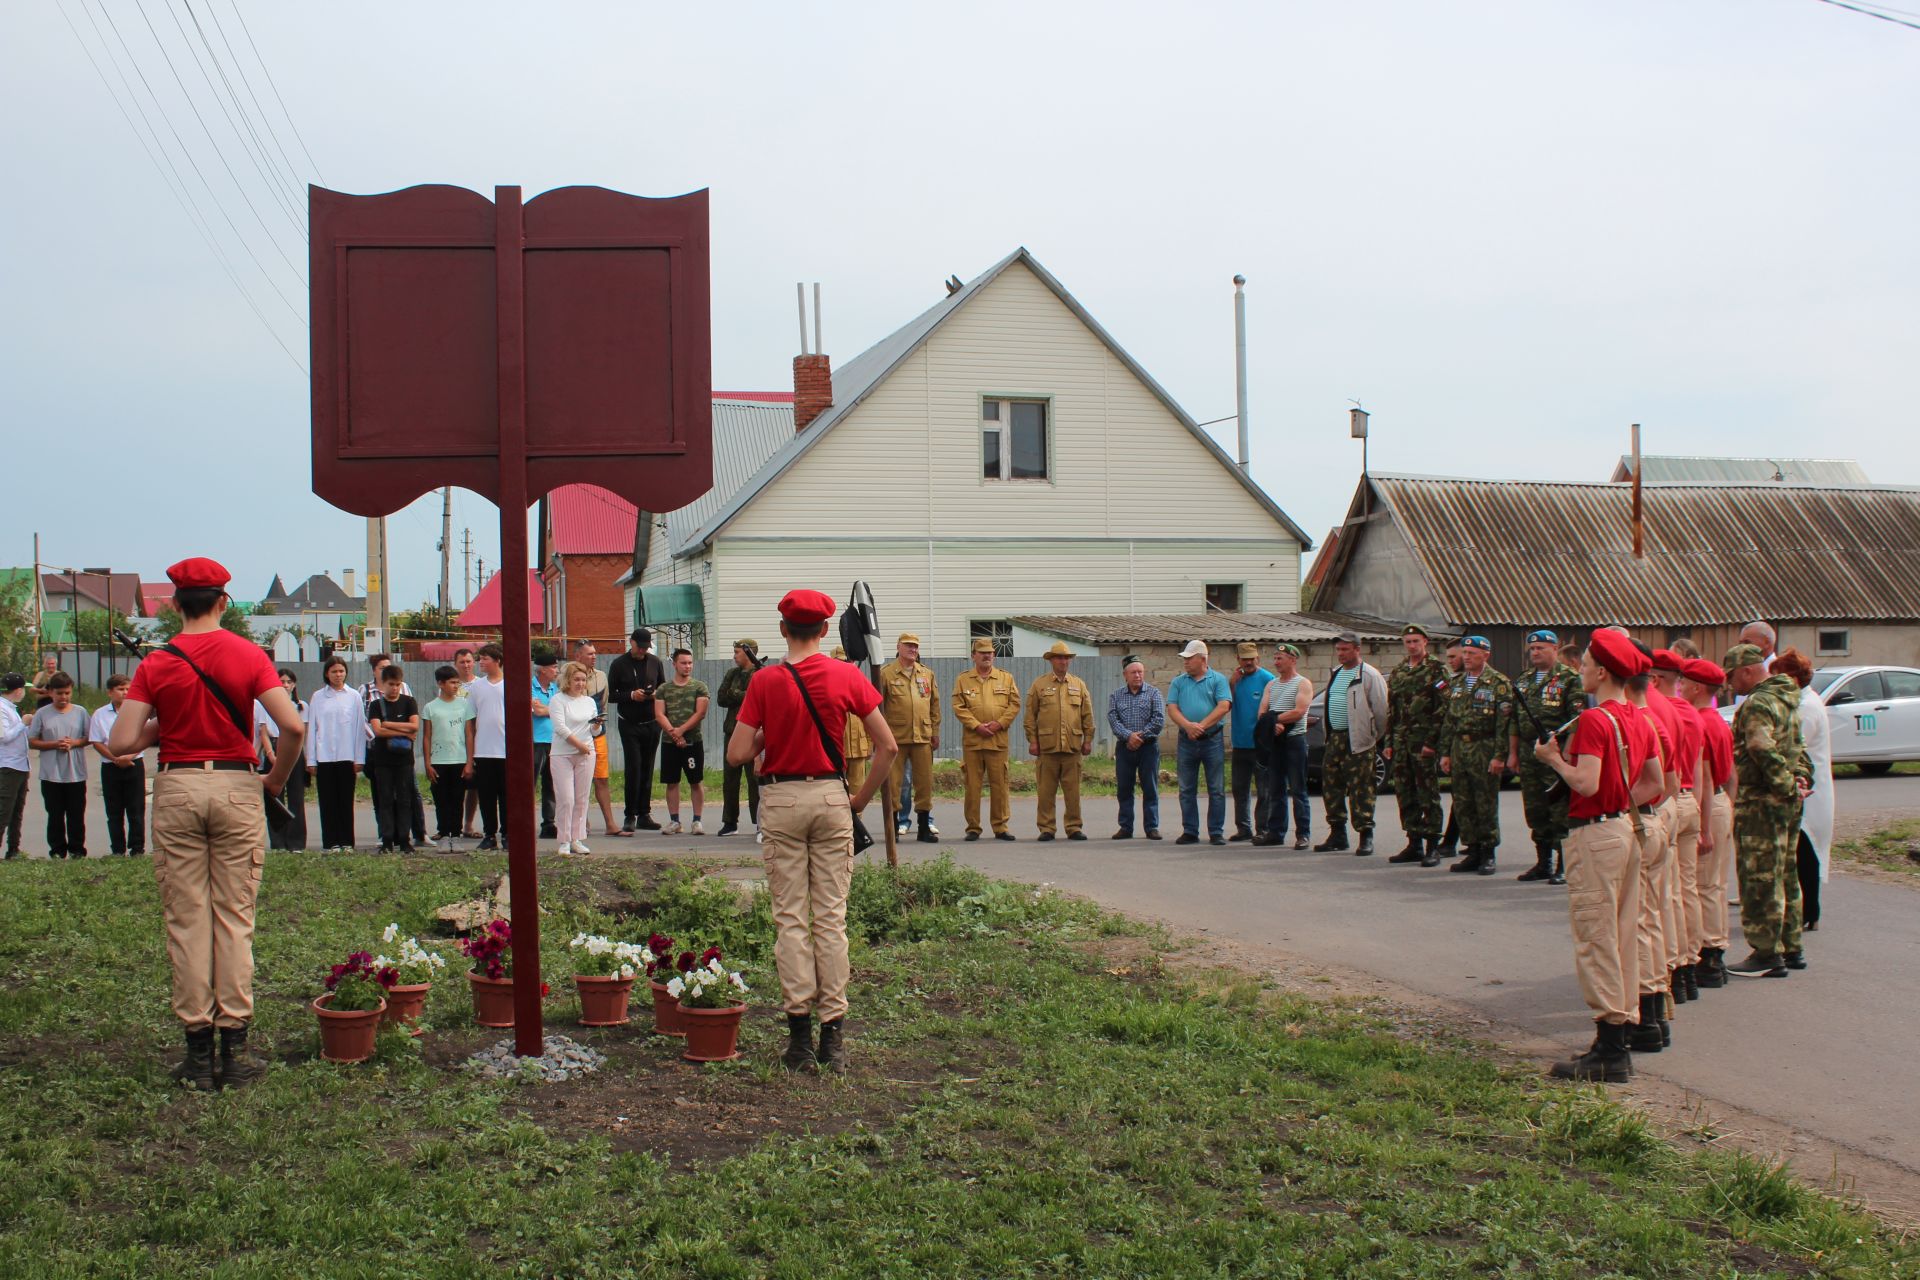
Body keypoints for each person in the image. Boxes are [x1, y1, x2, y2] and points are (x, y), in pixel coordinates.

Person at [111, 556, 303, 1091]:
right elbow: (291, 727)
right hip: (239, 786)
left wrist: (162, 724)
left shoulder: (157, 663)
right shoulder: (249, 655)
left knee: (187, 918)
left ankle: (197, 1050)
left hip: (178, 785)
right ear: (223, 601)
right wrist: (272, 782)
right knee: (234, 916)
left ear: (174, 604)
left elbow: (122, 743)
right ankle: (234, 1047)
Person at [727, 588, 896, 1072]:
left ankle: (798, 1040)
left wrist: (769, 733)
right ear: (825, 630)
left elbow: (738, 754)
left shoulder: (764, 681)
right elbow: (887, 748)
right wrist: (857, 802)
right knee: (830, 919)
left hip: (780, 800)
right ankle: (834, 1039)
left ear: (783, 629)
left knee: (791, 920)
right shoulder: (845, 675)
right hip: (830, 798)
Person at [1531, 629, 1663, 1082]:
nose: (1580, 671)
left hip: (1595, 833)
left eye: (1585, 664)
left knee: (1596, 935)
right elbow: (1654, 782)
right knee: (1624, 933)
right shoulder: (1639, 718)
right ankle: (1623, 1028)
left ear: (1603, 671)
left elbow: (1584, 782)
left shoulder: (1594, 721)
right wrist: (1619, 799)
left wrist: (1552, 759)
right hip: (1625, 828)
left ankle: (1609, 1047)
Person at [1725, 643, 1810, 978]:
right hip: (1787, 801)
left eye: (1732, 676)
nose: (1731, 685)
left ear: (1747, 670)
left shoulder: (1759, 702)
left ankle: (1765, 952)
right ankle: (1792, 947)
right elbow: (1799, 746)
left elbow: (1761, 746)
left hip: (1761, 801)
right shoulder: (1788, 698)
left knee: (1759, 876)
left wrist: (1785, 784)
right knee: (1786, 874)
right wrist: (1800, 779)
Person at [1649, 649, 1706, 1002]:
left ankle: (1670, 969)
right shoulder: (1687, 712)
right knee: (1688, 889)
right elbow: (1699, 766)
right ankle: (1688, 966)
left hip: (1666, 799)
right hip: (1687, 797)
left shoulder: (1656, 708)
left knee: (1665, 895)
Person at [1509, 630, 1584, 884]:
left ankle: (1565, 863)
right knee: (1535, 809)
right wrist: (1512, 753)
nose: (1535, 652)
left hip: (1556, 750)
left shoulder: (1570, 678)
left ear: (1555, 648)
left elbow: (1577, 720)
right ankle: (1543, 862)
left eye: (1541, 648)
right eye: (1532, 649)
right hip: (1530, 752)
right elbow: (1515, 721)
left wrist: (1567, 752)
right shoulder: (1524, 680)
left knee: (1560, 810)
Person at [1678, 658, 1734, 988]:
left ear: (1698, 688)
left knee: (1702, 886)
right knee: (1715, 883)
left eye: (1684, 683)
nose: (1680, 688)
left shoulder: (1700, 721)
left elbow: (1707, 776)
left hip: (1707, 804)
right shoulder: (1717, 720)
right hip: (1720, 802)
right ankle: (1715, 949)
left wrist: (1703, 827)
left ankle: (1709, 953)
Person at [1438, 636, 1514, 875]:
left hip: (1484, 747)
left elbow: (1504, 724)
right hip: (1460, 748)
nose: (1467, 657)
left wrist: (1500, 755)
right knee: (1462, 802)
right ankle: (1472, 849)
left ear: (1486, 655)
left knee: (1485, 802)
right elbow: (1449, 721)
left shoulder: (1498, 683)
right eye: (1465, 653)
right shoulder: (1458, 683)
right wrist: (1445, 753)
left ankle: (1488, 851)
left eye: (1472, 653)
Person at [1773, 648, 1832, 935]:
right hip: (1805, 788)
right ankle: (1806, 911)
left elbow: (1795, 746)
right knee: (1801, 853)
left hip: (1808, 791)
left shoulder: (1806, 707)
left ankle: (1809, 912)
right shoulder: (1802, 701)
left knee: (1806, 854)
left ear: (1793, 678)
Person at [1315, 631, 1389, 855]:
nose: (1340, 653)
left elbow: (1382, 712)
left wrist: (1371, 736)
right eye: (1338, 649)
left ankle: (1365, 834)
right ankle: (1337, 834)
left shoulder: (1369, 675)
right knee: (1332, 786)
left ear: (1357, 649)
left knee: (1361, 788)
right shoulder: (1336, 673)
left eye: (1345, 649)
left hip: (1358, 740)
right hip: (1335, 737)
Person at [1384, 625, 1449, 867]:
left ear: (1425, 642)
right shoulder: (1400, 670)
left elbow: (1443, 708)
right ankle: (1413, 842)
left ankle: (1433, 844)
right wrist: (1389, 741)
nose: (1411, 645)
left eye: (1415, 641)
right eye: (1408, 641)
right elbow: (1392, 709)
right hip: (1402, 742)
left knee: (1427, 793)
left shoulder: (1436, 669)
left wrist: (1432, 742)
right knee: (1405, 792)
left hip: (1423, 743)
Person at [951, 637, 1021, 841]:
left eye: (990, 652)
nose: (986, 655)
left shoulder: (1005, 678)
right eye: (982, 652)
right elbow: (958, 706)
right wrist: (976, 725)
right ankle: (973, 827)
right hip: (973, 742)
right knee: (973, 785)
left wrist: (999, 723)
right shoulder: (963, 679)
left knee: (1000, 785)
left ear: (994, 655)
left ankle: (1000, 826)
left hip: (997, 741)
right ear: (974, 656)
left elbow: (1014, 704)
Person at [1166, 640, 1232, 845]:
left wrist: (1200, 726)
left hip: (1211, 739)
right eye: (1184, 659)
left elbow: (1223, 706)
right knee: (1186, 788)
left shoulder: (1218, 680)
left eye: (1189, 658)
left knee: (1216, 788)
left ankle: (1216, 831)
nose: (1185, 662)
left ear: (1202, 659)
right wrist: (1188, 726)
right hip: (1186, 740)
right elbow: (1172, 708)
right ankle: (1190, 830)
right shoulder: (1179, 681)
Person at [1027, 640, 1094, 841]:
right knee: (1045, 792)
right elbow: (1030, 715)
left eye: (1066, 658)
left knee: (1073, 792)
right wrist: (1033, 740)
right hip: (1047, 747)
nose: (1063, 661)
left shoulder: (1078, 684)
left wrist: (1088, 739)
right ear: (1051, 660)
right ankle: (1047, 828)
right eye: (1059, 657)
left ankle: (1073, 827)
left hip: (1072, 747)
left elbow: (1087, 715)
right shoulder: (1039, 684)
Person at [879, 633, 942, 844]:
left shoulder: (926, 674)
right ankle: (894, 828)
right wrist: (879, 738)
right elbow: (878, 707)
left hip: (922, 737)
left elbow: (934, 705)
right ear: (898, 646)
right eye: (908, 646)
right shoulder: (886, 674)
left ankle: (924, 827)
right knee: (894, 785)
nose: (912, 649)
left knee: (924, 784)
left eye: (915, 646)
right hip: (895, 738)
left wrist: (935, 732)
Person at [1254, 645, 1313, 849]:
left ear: (1293, 660)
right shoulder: (1271, 684)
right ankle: (1276, 832)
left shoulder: (1302, 683)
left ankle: (1303, 834)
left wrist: (1274, 719)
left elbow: (1299, 711)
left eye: (1281, 658)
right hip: (1275, 742)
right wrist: (1272, 723)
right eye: (1276, 658)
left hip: (1294, 741)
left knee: (1298, 789)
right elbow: (1262, 712)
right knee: (1275, 788)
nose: (1277, 662)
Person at [607, 628, 667, 831]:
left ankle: (644, 813)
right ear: (631, 643)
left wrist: (653, 694)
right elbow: (612, 695)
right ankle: (629, 814)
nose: (642, 651)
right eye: (639, 647)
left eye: (645, 648)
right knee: (633, 768)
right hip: (629, 723)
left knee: (648, 768)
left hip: (651, 723)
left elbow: (663, 688)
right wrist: (632, 695)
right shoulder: (618, 664)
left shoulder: (654, 662)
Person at [29, 671, 91, 858]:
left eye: (67, 693)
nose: (63, 697)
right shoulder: (42, 713)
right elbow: (32, 741)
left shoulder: (80, 712)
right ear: (50, 693)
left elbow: (89, 738)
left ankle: (77, 849)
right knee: (55, 815)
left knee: (76, 814)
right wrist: (54, 744)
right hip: (51, 774)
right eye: (59, 693)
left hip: (76, 773)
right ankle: (57, 850)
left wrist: (74, 743)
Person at [305, 657, 363, 851]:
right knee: (328, 801)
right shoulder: (318, 697)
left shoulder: (353, 696)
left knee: (346, 800)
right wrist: (311, 759)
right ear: (326, 674)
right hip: (325, 756)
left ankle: (347, 841)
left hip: (347, 756)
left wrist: (359, 757)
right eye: (334, 672)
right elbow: (313, 728)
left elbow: (358, 729)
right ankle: (331, 842)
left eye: (341, 671)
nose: (338, 675)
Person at [1107, 656, 1166, 840]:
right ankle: (1125, 827)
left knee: (1150, 787)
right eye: (1133, 672)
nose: (1138, 676)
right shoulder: (1115, 696)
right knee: (1124, 789)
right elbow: (1113, 719)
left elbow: (1158, 720)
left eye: (1140, 672)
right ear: (1125, 675)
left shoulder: (1154, 693)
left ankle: (1152, 827)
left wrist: (1139, 737)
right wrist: (1128, 736)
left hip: (1148, 747)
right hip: (1124, 748)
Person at [571, 640, 624, 840]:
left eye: (595, 653)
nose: (594, 656)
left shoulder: (601, 677)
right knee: (578, 781)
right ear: (578, 656)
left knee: (601, 779)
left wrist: (597, 726)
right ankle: (581, 823)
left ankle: (610, 823)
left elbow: (603, 704)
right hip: (576, 736)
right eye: (589, 653)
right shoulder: (567, 676)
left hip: (597, 734)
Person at [365, 663, 421, 853]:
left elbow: (415, 726)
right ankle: (387, 839)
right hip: (382, 761)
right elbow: (377, 730)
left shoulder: (409, 701)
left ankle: (405, 840)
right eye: (391, 684)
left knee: (405, 799)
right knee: (385, 800)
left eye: (398, 684)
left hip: (404, 760)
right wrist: (402, 730)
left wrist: (389, 725)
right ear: (383, 684)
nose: (394, 688)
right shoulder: (375, 705)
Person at [90, 673, 147, 857]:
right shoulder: (100, 714)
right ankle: (117, 849)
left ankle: (137, 848)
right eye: (120, 689)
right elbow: (97, 741)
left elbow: (144, 737)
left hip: (134, 764)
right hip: (110, 767)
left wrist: (128, 756)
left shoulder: (139, 712)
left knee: (136, 809)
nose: (125, 693)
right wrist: (115, 759)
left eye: (128, 689)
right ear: (110, 692)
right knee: (114, 810)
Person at [655, 648, 710, 835]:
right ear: (674, 664)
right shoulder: (663, 689)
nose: (687, 666)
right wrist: (674, 734)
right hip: (670, 743)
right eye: (683, 663)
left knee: (696, 781)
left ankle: (697, 821)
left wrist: (682, 731)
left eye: (690, 663)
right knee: (672, 782)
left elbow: (700, 713)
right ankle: (674, 821)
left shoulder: (699, 687)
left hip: (693, 741)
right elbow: (659, 714)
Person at [420, 664, 475, 849]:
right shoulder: (430, 707)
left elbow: (469, 734)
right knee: (441, 800)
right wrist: (427, 763)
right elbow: (427, 736)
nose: (455, 686)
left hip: (459, 759)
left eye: (457, 683)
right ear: (441, 684)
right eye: (452, 683)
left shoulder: (465, 705)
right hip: (438, 761)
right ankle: (444, 835)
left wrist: (469, 762)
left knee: (457, 799)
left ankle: (456, 836)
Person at [548, 661, 600, 855]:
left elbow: (595, 730)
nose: (580, 683)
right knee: (566, 798)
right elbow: (560, 728)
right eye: (576, 679)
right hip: (563, 753)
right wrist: (580, 746)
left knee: (581, 798)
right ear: (567, 680)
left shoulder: (588, 701)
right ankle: (564, 840)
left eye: (583, 680)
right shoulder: (558, 700)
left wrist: (596, 726)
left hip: (586, 753)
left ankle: (577, 838)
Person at [255, 669, 307, 852]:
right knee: (275, 796)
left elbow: (302, 733)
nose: (285, 685)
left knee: (296, 797)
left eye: (288, 681)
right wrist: (271, 754)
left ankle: (296, 843)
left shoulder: (301, 706)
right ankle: (278, 842)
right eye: (282, 681)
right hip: (274, 748)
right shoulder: (265, 705)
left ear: (294, 685)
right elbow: (263, 731)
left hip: (295, 751)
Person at [1226, 643, 1274, 842]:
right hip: (1240, 743)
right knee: (1239, 789)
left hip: (1261, 745)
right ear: (1238, 660)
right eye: (1244, 659)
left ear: (1258, 659)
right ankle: (1243, 828)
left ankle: (1263, 828)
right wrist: (1231, 684)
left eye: (1251, 659)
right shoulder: (1235, 680)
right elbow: (1225, 705)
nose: (1248, 663)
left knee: (1264, 790)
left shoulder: (1268, 680)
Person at [716, 639, 763, 837]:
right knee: (730, 779)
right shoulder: (731, 674)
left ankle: (759, 823)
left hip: (754, 733)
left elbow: (757, 699)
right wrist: (741, 694)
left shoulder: (759, 674)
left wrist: (734, 693)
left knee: (755, 779)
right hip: (732, 730)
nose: (734, 656)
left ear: (749, 653)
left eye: (737, 652)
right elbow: (721, 698)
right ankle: (730, 821)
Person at [468, 644, 509, 849]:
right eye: (480, 659)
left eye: (485, 658)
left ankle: (508, 834)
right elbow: (471, 720)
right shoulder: (477, 686)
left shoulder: (510, 684)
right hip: (484, 750)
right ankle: (489, 834)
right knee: (486, 796)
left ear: (498, 660)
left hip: (506, 751)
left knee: (507, 796)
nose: (481, 662)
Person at [1433, 639, 1467, 858]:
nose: (1450, 661)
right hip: (1455, 747)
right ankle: (1453, 841)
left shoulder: (1480, 682)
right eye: (1448, 657)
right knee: (1461, 796)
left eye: (1454, 657)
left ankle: (1456, 841)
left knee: (1473, 799)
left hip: (1477, 748)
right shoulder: (1450, 683)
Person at [833, 646, 874, 805]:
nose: (846, 665)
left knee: (857, 793)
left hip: (858, 749)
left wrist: (870, 744)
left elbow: (869, 719)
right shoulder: (828, 687)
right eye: (842, 662)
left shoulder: (860, 685)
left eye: (848, 661)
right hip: (836, 752)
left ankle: (856, 828)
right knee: (837, 794)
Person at [530, 651, 560, 840]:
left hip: (554, 741)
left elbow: (558, 710)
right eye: (553, 667)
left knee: (551, 783)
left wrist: (547, 709)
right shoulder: (529, 687)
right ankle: (526, 822)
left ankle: (549, 823)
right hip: (535, 741)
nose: (557, 671)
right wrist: (553, 710)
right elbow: (536, 711)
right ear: (542, 670)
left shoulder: (555, 689)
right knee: (530, 783)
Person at [454, 646, 483, 837]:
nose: (466, 665)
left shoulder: (481, 684)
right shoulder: (451, 685)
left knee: (474, 786)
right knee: (456, 785)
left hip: (479, 738)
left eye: (469, 661)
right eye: (462, 662)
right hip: (456, 740)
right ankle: (452, 825)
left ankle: (468, 824)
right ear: (455, 664)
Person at [0, 674, 29, 858]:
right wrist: (23, 724)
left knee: (17, 810)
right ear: (18, 690)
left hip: (20, 765)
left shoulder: (11, 708)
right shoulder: (2, 708)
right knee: (4, 810)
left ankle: (14, 849)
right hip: (8, 766)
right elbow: (4, 737)